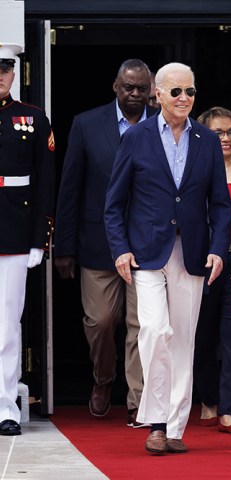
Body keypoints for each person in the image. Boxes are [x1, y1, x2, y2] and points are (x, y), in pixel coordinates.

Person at [104, 62, 231, 454]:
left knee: (183, 341)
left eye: (190, 92)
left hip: (191, 253)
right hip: (146, 251)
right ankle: (155, 418)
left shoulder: (207, 141)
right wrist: (120, 248)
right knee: (155, 330)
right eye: (176, 91)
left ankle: (171, 427)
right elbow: (114, 204)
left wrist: (217, 249)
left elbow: (221, 205)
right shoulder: (137, 137)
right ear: (157, 94)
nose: (184, 99)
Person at [54, 58, 158, 426]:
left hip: (148, 245)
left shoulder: (163, 125)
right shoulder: (86, 124)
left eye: (141, 89)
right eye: (128, 87)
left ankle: (138, 401)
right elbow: (70, 188)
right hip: (97, 243)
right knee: (100, 321)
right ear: (115, 86)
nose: (134, 94)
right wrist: (63, 246)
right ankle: (102, 379)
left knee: (140, 324)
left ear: (151, 90)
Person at [0, 43, 55, 436]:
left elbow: (45, 182)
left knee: (6, 325)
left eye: (5, 68)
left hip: (14, 233)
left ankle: (5, 407)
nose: (0, 75)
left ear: (14, 73)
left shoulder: (32, 118)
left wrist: (40, 238)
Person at [193, 107, 231, 434]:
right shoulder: (193, 169)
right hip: (202, 264)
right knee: (201, 336)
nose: (226, 138)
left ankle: (230, 411)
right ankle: (208, 402)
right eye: (218, 133)